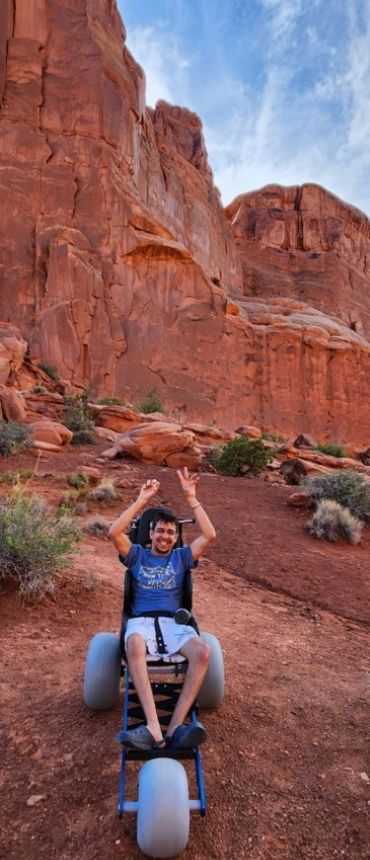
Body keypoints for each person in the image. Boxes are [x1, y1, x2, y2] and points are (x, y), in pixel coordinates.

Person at [108, 467, 217, 751]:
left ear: (175, 535)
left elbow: (210, 536)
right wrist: (141, 501)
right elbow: (113, 532)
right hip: (141, 622)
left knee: (204, 651)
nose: (165, 536)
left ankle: (177, 727)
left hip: (173, 622)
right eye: (160, 531)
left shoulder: (182, 557)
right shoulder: (137, 555)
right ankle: (154, 729)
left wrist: (191, 497)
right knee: (133, 644)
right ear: (151, 533)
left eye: (170, 532)